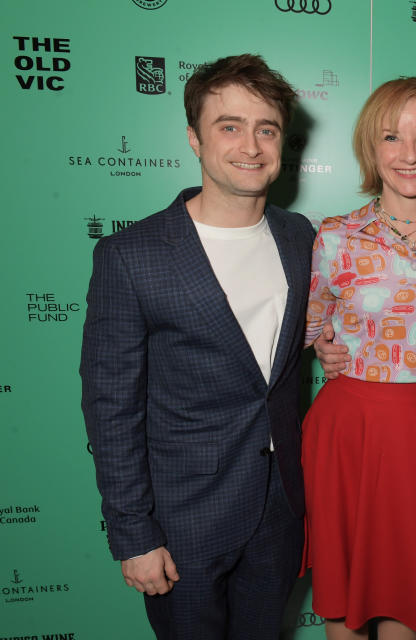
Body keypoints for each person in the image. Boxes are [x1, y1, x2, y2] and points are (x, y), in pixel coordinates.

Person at [80, 54, 314, 639]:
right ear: (194, 138)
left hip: (282, 507)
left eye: (267, 128)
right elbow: (111, 408)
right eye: (229, 126)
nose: (251, 145)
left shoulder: (301, 236)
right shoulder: (131, 256)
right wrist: (134, 534)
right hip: (182, 520)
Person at [301, 77, 416, 640]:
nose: (409, 154)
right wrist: (326, 347)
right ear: (370, 148)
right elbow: (310, 322)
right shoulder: (335, 236)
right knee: (345, 597)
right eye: (392, 137)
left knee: (410, 594)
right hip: (350, 431)